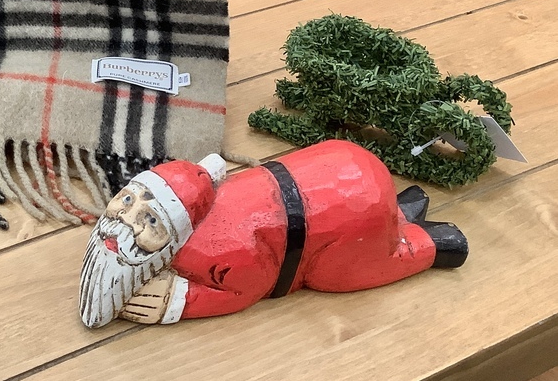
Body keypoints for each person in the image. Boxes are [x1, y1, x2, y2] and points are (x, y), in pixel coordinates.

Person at [79, 140, 467, 328]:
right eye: (127, 200)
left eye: (150, 222)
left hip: (341, 226)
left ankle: (430, 243)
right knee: (374, 217)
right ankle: (399, 211)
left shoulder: (212, 255)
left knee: (336, 274)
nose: (125, 222)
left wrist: (178, 302)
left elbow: (249, 286)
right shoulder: (172, 237)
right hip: (339, 172)